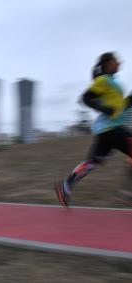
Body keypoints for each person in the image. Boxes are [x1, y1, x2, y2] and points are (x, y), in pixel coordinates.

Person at [55, 52, 132, 207]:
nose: (119, 62)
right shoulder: (103, 80)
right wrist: (103, 108)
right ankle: (128, 192)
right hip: (112, 129)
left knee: (92, 163)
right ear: (108, 63)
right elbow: (85, 98)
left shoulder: (113, 82)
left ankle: (65, 186)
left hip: (107, 130)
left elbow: (120, 107)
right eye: (116, 60)